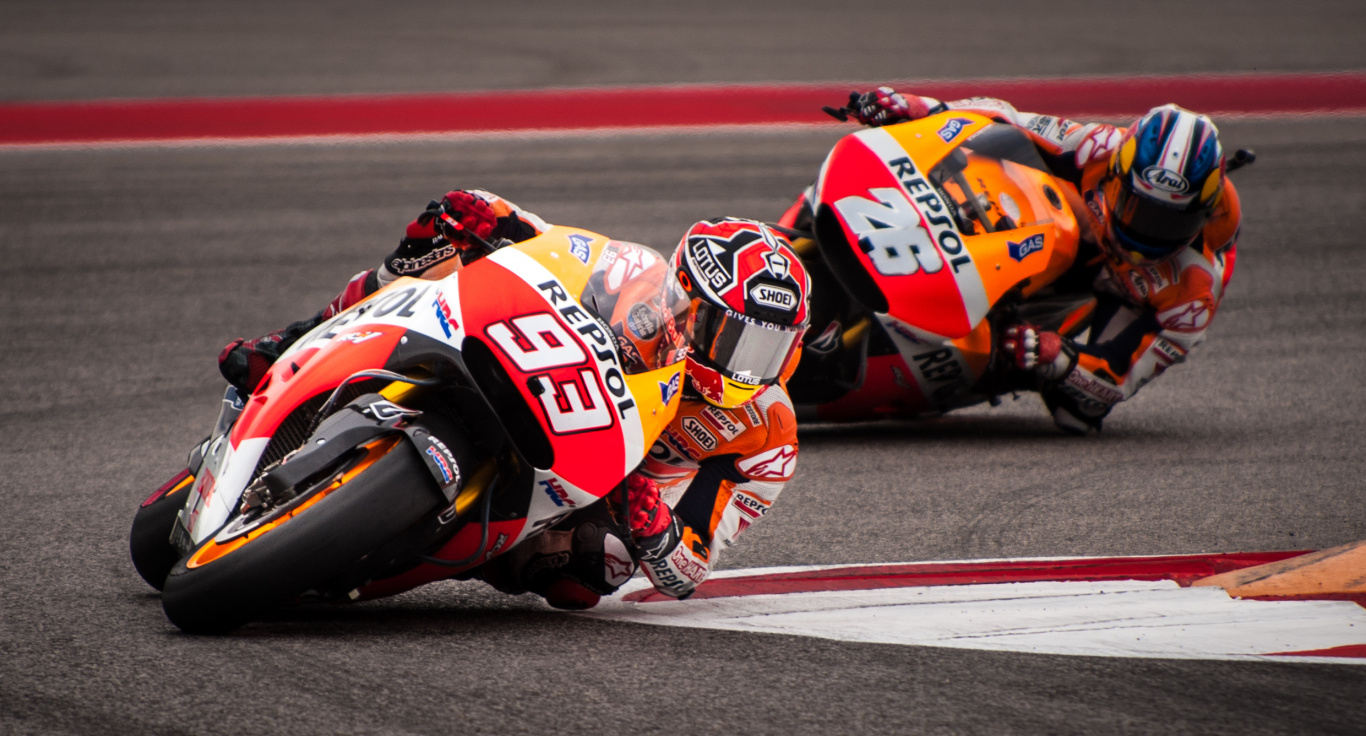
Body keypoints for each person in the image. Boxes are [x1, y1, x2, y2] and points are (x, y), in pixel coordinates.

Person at [218, 191, 810, 609]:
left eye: (768, 347)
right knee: (439, 246)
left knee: (597, 571)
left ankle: (404, 547)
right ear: (691, 301)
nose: (744, 365)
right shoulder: (637, 282)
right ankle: (299, 339)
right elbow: (556, 248)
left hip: (595, 494)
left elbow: (688, 574)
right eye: (733, 338)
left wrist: (658, 530)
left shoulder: (769, 437)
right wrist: (496, 218)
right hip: (543, 379)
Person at [835, 88, 1242, 434]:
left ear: (1202, 214)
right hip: (1080, 225)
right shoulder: (1100, 147)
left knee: (1076, 413)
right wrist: (921, 108)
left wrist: (1058, 357)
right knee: (999, 175)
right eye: (1139, 208)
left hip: (1131, 290)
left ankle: (995, 362)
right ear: (1118, 174)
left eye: (1171, 221)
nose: (1149, 230)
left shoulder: (1194, 292)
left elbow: (1118, 378)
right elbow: (1003, 118)